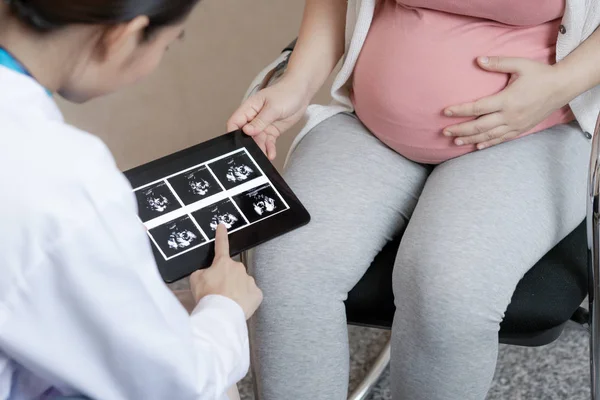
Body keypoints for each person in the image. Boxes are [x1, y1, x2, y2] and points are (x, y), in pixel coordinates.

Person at [228, 0, 600, 399]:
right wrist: (296, 84)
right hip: (370, 127)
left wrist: (559, 84)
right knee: (286, 265)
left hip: (531, 132)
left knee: (447, 289)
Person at [0, 1, 262, 399]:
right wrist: (224, 307)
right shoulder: (67, 179)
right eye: (169, 44)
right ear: (121, 36)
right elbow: (176, 386)